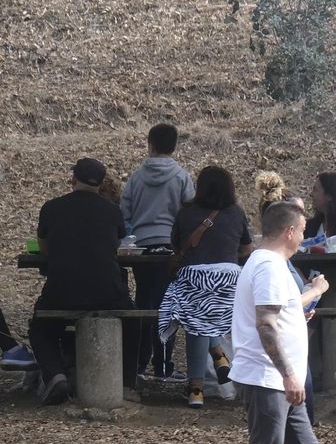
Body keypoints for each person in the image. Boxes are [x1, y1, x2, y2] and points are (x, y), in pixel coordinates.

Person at [233, 200, 334, 444]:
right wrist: (290, 374)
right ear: (289, 231)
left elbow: (286, 312)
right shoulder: (269, 267)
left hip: (278, 379)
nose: (305, 236)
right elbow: (265, 324)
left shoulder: (271, 265)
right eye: (303, 229)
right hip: (267, 378)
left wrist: (313, 294)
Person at [31, 158, 138, 405]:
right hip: (108, 293)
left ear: (73, 179)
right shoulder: (113, 211)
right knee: (134, 320)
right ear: (101, 184)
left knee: (40, 327)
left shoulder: (51, 208)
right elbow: (119, 242)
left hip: (62, 291)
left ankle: (55, 375)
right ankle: (129, 383)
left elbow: (45, 250)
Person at [158, 166, 253, 409]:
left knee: (193, 319)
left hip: (194, 278)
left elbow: (176, 244)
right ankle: (219, 357)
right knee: (201, 317)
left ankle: (196, 389)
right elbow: (246, 248)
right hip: (229, 281)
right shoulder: (236, 212)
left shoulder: (186, 212)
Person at [122, 123, 194, 380]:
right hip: (171, 250)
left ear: (149, 144)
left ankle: (139, 365)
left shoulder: (136, 177)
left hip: (142, 249)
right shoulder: (181, 177)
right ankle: (163, 367)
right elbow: (189, 215)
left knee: (144, 302)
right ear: (173, 146)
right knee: (168, 305)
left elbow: (125, 214)